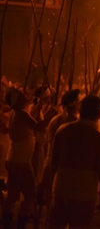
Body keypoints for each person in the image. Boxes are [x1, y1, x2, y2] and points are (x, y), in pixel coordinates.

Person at [48, 95, 100, 227]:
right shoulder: (99, 139)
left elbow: (54, 161)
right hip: (83, 191)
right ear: (98, 113)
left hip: (62, 186)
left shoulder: (63, 130)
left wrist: (53, 186)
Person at [2, 88, 54, 228]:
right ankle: (20, 224)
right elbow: (37, 126)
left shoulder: (16, 113)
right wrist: (53, 115)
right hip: (21, 162)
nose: (25, 96)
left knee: (12, 195)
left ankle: (7, 222)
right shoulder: (22, 114)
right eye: (21, 96)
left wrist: (41, 107)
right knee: (30, 196)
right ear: (18, 101)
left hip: (13, 159)